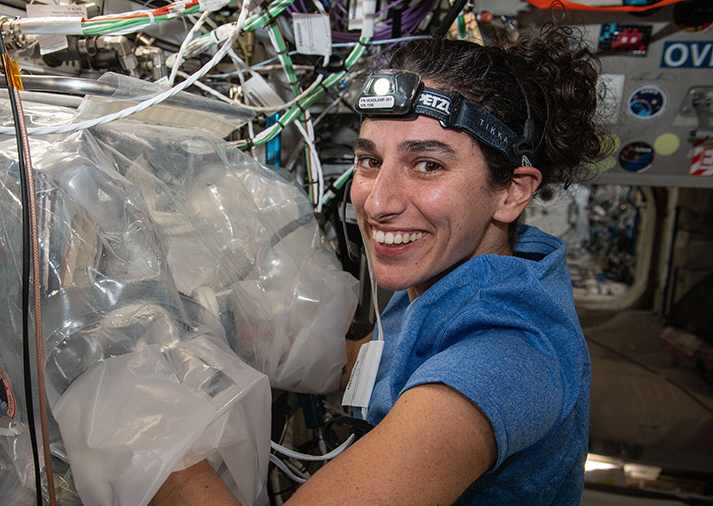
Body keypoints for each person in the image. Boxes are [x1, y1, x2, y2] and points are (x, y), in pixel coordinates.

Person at [155, 24, 607, 505]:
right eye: (369, 161)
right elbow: (384, 362)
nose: (377, 203)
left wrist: (153, 441)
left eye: (427, 165)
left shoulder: (502, 360)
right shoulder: (469, 275)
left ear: (512, 191)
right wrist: (236, 329)